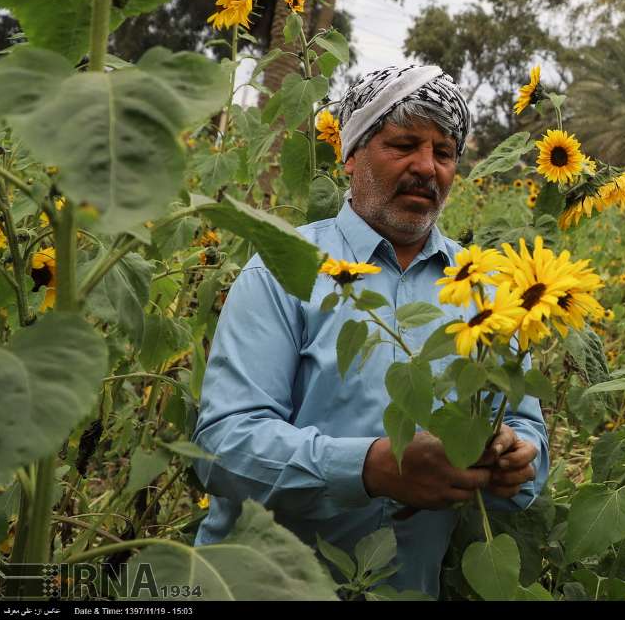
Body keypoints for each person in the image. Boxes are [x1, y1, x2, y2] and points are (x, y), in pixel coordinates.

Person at [192, 65, 548, 597]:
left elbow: (527, 432)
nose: (426, 167)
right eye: (403, 145)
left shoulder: (488, 289)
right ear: (352, 155)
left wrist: (518, 458)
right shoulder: (285, 268)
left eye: (444, 153)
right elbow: (223, 446)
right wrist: (370, 468)